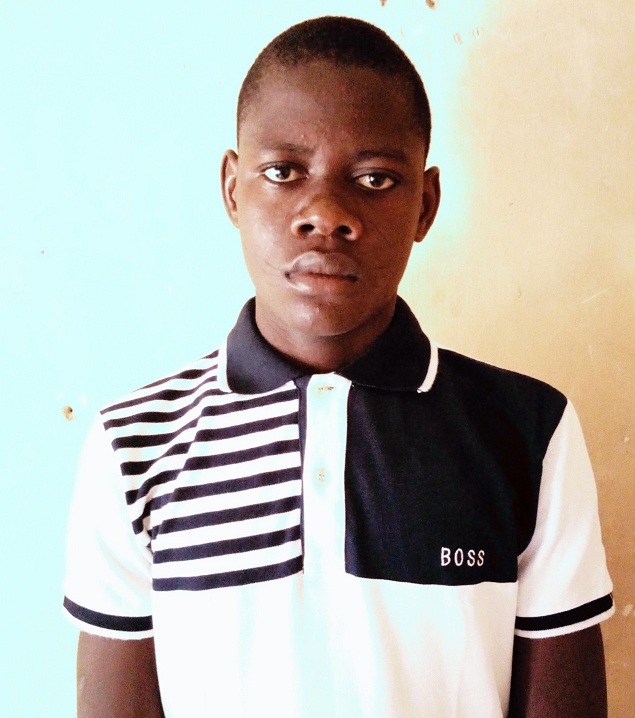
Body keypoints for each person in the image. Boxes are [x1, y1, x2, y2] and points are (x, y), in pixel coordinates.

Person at [63, 16, 614, 718]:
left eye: (375, 178)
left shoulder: (527, 430)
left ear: (426, 204)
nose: (325, 213)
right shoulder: (134, 443)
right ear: (232, 188)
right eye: (282, 172)